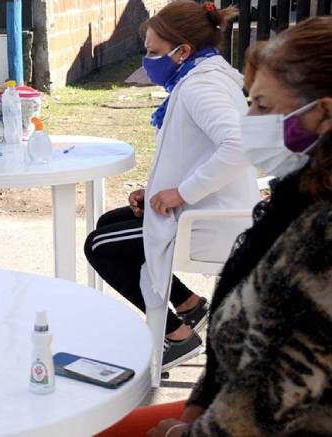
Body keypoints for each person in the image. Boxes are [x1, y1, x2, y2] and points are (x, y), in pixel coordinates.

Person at [99, 16, 332, 437]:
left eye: (262, 107)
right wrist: (195, 407)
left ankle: (181, 323)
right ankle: (187, 312)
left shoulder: (319, 243)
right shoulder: (290, 200)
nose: (250, 121)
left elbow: (265, 410)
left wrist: (179, 430)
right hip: (217, 411)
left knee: (104, 244)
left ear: (324, 115)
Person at [84, 1, 259, 371]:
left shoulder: (200, 87)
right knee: (108, 223)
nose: (148, 60)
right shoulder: (206, 74)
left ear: (182, 51)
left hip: (209, 220)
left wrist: (181, 193)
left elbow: (238, 146)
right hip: (208, 207)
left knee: (99, 247)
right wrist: (157, 192)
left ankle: (176, 337)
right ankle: (190, 307)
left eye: (153, 52)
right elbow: (194, 151)